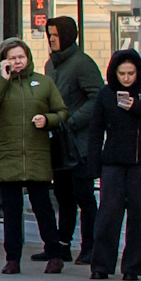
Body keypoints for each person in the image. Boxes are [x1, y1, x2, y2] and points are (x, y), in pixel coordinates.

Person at [0, 37, 68, 274]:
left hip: (36, 155)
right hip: (8, 156)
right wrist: (3, 80)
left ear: (28, 58)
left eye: (21, 57)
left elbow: (62, 112)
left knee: (43, 208)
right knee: (12, 211)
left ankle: (54, 254)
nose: (18, 61)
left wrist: (48, 120)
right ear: (3, 61)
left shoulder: (43, 83)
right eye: (12, 58)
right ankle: (13, 258)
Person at [89, 48, 141, 281]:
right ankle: (101, 265)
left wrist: (136, 106)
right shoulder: (106, 94)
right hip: (113, 162)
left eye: (131, 73)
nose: (126, 78)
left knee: (139, 215)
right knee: (108, 215)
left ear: (138, 72)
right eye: (122, 73)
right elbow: (96, 130)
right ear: (114, 72)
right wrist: (93, 166)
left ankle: (133, 267)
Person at [42, 16, 102, 264]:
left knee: (84, 196)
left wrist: (73, 120)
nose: (51, 39)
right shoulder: (51, 66)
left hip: (79, 143)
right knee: (63, 196)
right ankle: (62, 244)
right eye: (49, 35)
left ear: (67, 36)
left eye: (55, 35)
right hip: (59, 142)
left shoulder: (82, 63)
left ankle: (90, 245)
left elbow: (97, 96)